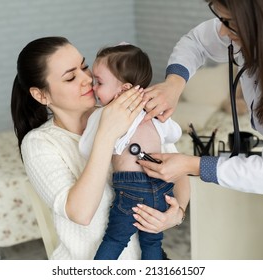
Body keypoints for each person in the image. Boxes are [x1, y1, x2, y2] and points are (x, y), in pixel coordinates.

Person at [138, 0, 263, 260]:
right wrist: (174, 84)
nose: (223, 33)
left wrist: (191, 165)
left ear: (262, 24)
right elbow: (196, 42)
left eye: (230, 24)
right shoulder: (261, 34)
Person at [10, 36, 189, 260]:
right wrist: (106, 134)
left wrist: (177, 214)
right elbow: (81, 213)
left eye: (84, 67)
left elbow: (178, 171)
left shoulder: (128, 111)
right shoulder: (40, 143)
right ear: (41, 95)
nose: (87, 79)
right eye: (71, 77)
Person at [78, 43, 186, 260]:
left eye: (98, 82)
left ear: (125, 89)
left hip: (130, 188)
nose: (93, 87)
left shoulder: (104, 114)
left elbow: (86, 148)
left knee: (115, 240)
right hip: (161, 187)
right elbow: (174, 133)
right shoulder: (153, 110)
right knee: (153, 242)